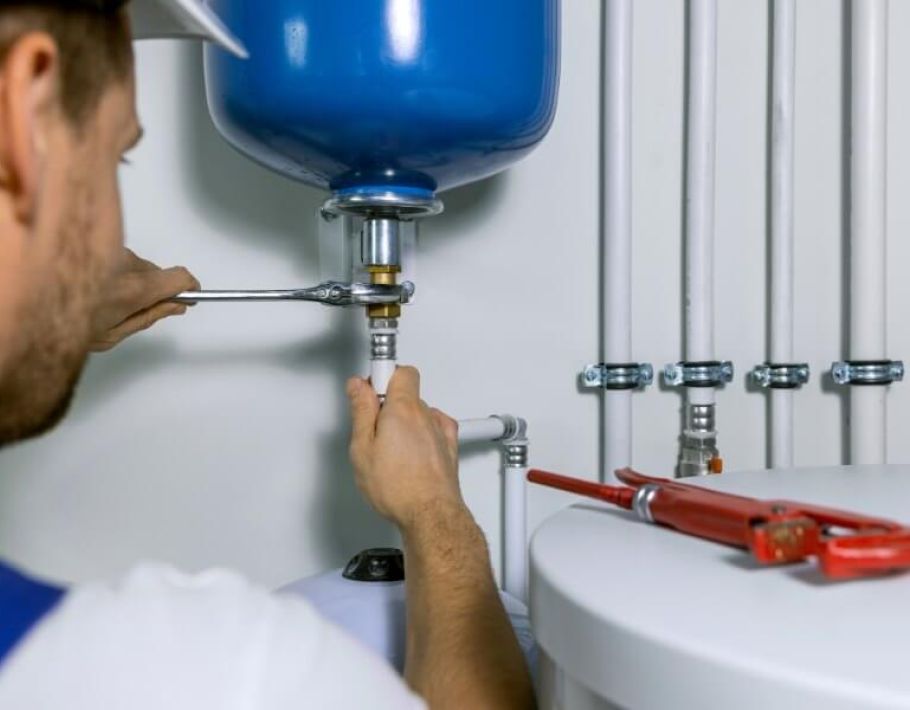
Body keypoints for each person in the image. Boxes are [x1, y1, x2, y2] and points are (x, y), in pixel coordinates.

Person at [0, 1, 535, 708]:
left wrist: (47, 309)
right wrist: (436, 514)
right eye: (115, 156)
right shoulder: (207, 671)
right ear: (22, 112)